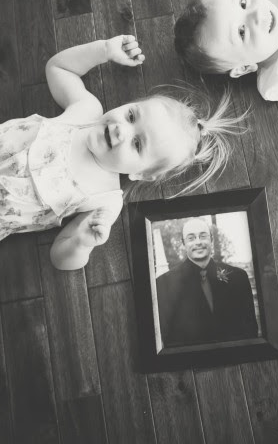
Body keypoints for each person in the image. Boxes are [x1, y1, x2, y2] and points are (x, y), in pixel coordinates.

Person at [0, 36, 241, 270]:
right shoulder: (86, 111)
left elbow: (59, 257)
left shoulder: (107, 199)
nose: (120, 130)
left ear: (143, 174)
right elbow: (58, 68)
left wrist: (81, 244)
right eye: (131, 116)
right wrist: (104, 50)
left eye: (137, 144)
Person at [156, 217, 258, 347]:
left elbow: (250, 329)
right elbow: (168, 336)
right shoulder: (163, 284)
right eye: (191, 238)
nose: (198, 242)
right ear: (183, 243)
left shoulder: (238, 277)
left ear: (211, 239)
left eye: (203, 236)